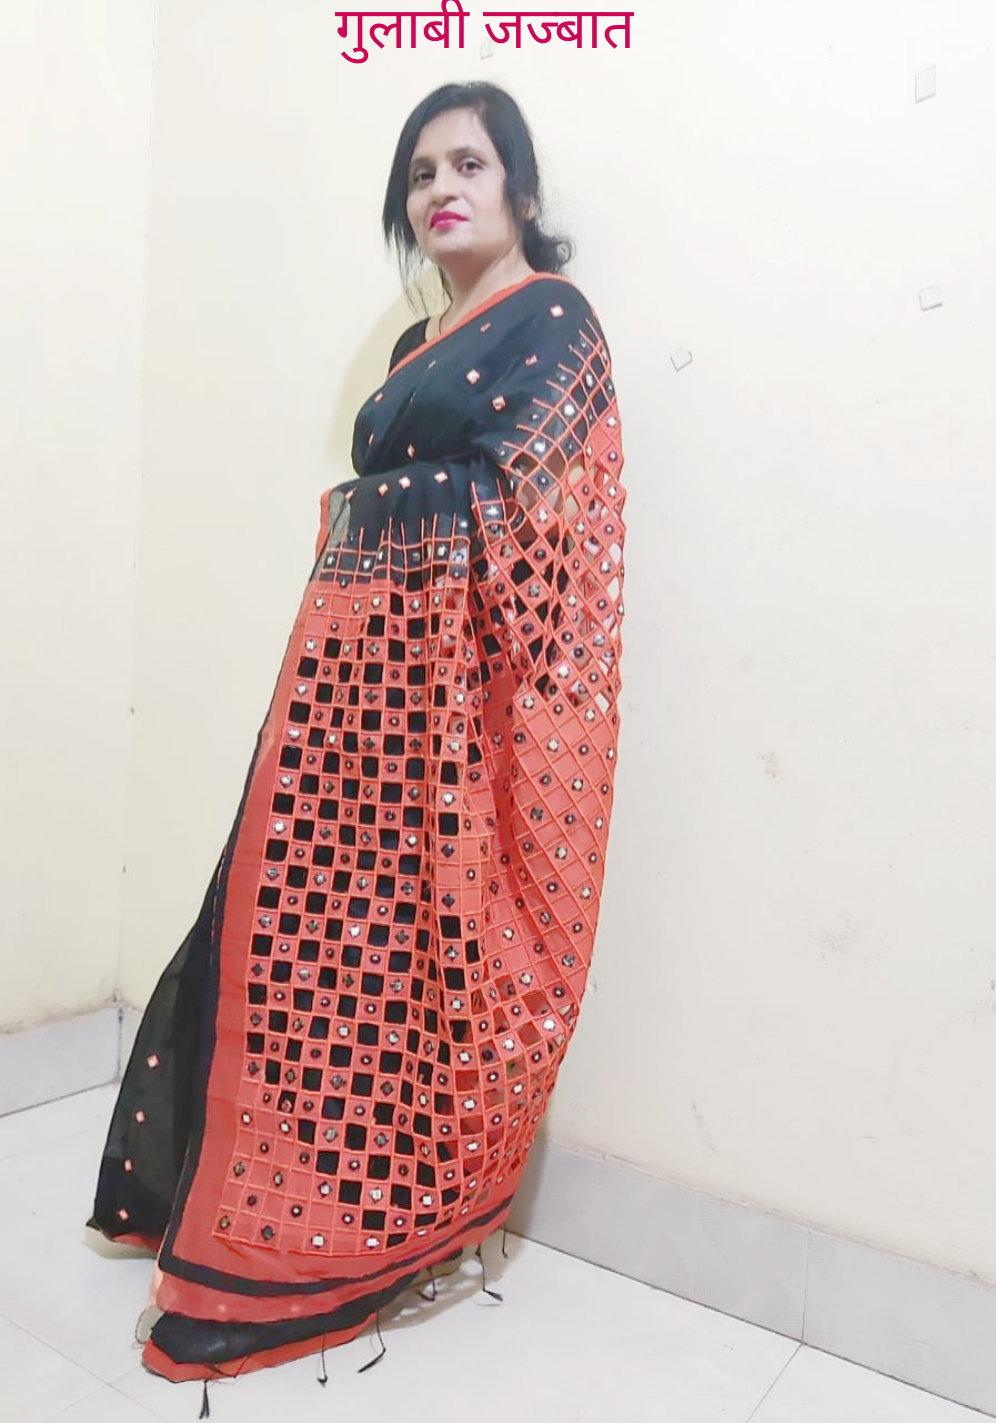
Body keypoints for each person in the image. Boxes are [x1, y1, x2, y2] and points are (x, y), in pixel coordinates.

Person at [87, 79, 627, 1389]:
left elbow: (553, 530)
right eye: (420, 173)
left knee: (414, 955)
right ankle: (263, 1201)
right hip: (350, 701)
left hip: (459, 718)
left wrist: (385, 519)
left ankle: (371, 1228)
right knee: (309, 940)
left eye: (469, 165)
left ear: (520, 190)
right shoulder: (410, 352)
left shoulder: (555, 322)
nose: (441, 189)